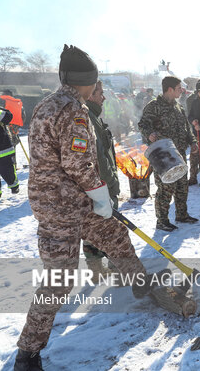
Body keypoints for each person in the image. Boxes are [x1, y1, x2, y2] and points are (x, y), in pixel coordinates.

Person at [14, 45, 171, 370]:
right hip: (61, 206)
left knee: (115, 237)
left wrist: (94, 199)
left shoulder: (46, 104)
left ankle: (142, 286)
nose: (95, 89)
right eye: (95, 83)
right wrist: (101, 197)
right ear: (86, 82)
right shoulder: (73, 109)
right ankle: (27, 352)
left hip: (67, 200)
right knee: (60, 278)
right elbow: (77, 163)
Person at [139, 76, 198, 231]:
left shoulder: (178, 107)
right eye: (179, 88)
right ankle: (162, 220)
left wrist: (192, 142)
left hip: (179, 153)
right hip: (162, 155)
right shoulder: (154, 106)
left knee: (182, 186)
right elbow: (143, 124)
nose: (181, 90)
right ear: (170, 89)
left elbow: (186, 127)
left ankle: (182, 214)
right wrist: (149, 133)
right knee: (165, 188)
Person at [82, 80, 120, 280]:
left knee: (93, 229)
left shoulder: (92, 116)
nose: (104, 97)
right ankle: (117, 271)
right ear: (90, 94)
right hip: (101, 187)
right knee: (112, 230)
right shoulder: (88, 118)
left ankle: (96, 271)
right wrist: (111, 184)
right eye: (100, 93)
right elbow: (100, 159)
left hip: (94, 187)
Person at [0, 105, 18, 198]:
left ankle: (14, 186)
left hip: (2, 149)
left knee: (7, 170)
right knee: (8, 169)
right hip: (3, 148)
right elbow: (8, 116)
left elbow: (8, 116)